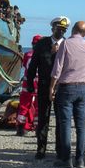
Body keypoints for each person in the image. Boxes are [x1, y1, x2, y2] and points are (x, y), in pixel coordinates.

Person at [49, 21, 85, 168]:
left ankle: (66, 159)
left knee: (65, 124)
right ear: (84, 33)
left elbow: (57, 68)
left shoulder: (65, 44)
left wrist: (51, 88)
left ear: (72, 30)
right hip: (82, 87)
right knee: (81, 125)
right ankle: (80, 159)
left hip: (67, 86)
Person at [27, 16, 70, 160]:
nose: (61, 32)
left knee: (60, 119)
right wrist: (30, 84)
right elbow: (33, 65)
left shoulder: (68, 44)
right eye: (59, 29)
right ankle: (41, 148)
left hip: (61, 87)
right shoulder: (42, 43)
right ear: (52, 29)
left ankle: (59, 149)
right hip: (44, 85)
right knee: (43, 118)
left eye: (64, 30)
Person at [16, 35, 42, 136]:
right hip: (39, 84)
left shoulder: (27, 55)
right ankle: (37, 129)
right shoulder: (42, 55)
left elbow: (24, 66)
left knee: (24, 105)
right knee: (39, 107)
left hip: (27, 84)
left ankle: (21, 128)